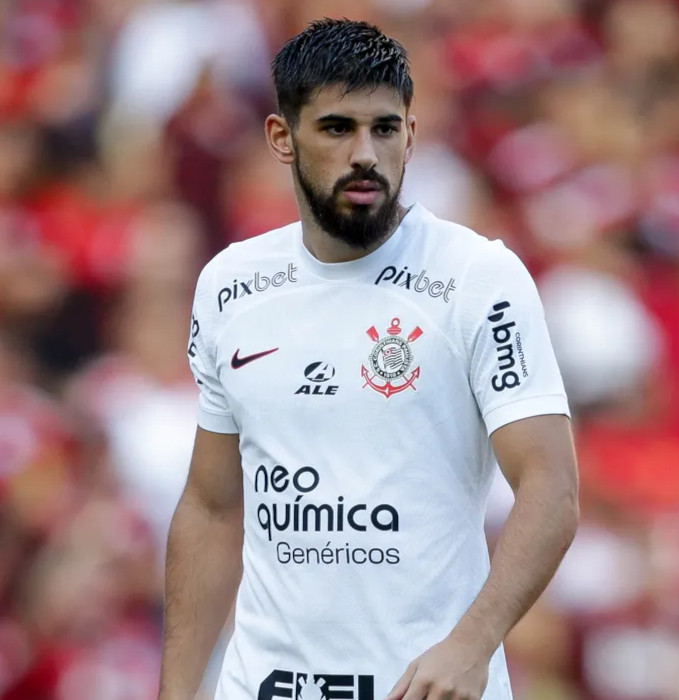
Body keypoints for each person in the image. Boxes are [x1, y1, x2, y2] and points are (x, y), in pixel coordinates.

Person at [157, 18, 579, 700]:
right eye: (336, 128)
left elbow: (551, 487)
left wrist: (471, 645)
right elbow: (211, 507)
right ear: (282, 137)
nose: (365, 153)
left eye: (384, 129)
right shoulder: (230, 285)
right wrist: (176, 692)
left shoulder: (477, 279)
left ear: (410, 135)